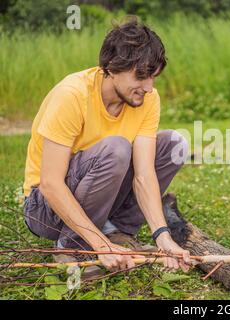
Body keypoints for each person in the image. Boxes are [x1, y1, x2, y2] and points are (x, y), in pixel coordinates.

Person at [22, 17, 191, 275]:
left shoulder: (147, 99)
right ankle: (75, 246)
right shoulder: (72, 94)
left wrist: (163, 237)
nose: (148, 87)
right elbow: (50, 183)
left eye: (153, 77)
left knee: (173, 144)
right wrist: (99, 247)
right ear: (112, 68)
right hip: (45, 208)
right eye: (141, 76)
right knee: (117, 148)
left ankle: (116, 232)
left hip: (100, 199)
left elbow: (144, 175)